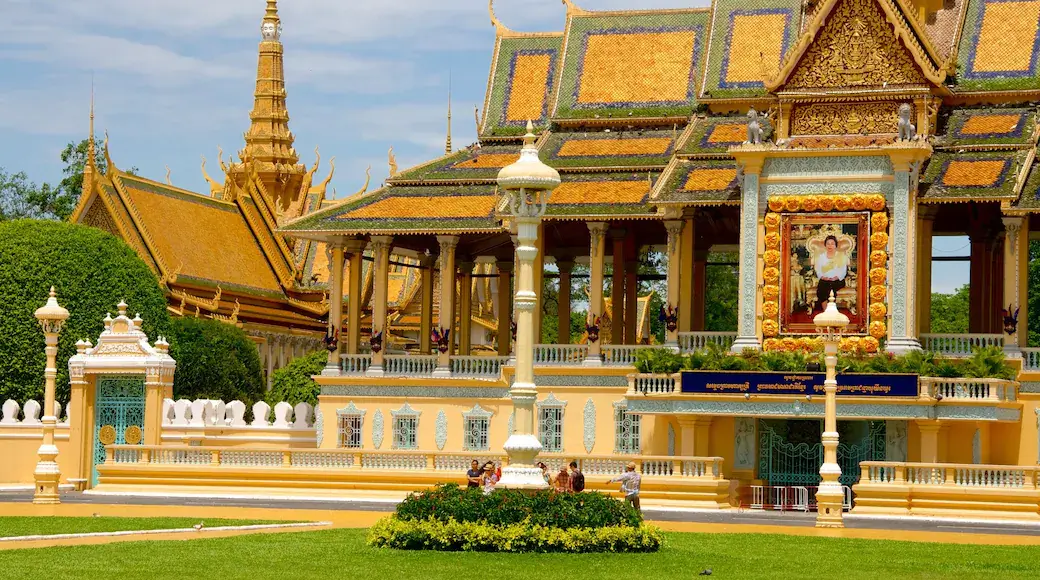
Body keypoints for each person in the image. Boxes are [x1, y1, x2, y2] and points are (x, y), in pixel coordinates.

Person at [814, 234, 848, 311]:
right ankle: (826, 311)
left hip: (838, 280)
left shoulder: (840, 256)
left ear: (835, 245)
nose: (830, 246)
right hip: (824, 279)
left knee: (830, 286)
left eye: (832, 244)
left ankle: (831, 311)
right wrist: (822, 276)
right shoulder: (821, 257)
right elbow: (818, 269)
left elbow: (843, 271)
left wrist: (836, 277)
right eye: (828, 244)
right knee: (822, 287)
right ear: (825, 245)